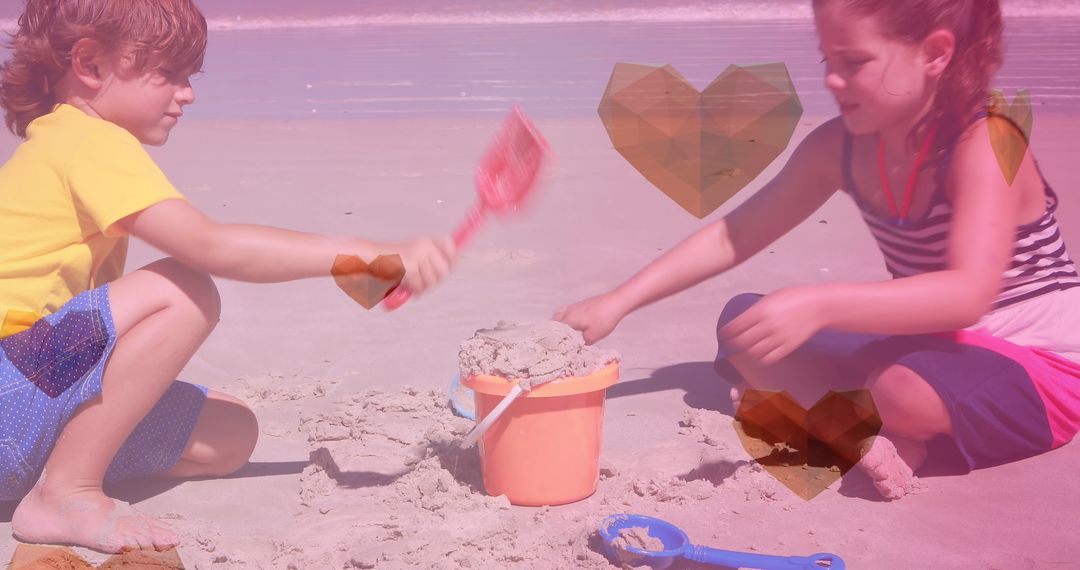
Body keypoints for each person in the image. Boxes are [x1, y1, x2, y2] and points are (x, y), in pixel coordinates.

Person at [557, 0, 1080, 500]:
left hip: (1040, 365)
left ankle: (854, 419)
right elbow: (733, 235)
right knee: (746, 326)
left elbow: (968, 295)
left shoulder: (986, 142)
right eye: (828, 61)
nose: (832, 79)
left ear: (935, 54)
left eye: (854, 62)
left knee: (898, 387)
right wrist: (618, 301)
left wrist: (820, 304)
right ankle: (877, 435)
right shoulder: (841, 148)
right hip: (929, 339)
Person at [0, 0, 455, 553]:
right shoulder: (86, 140)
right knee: (182, 288)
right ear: (90, 64)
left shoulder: (62, 143)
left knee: (230, 434)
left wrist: (369, 271)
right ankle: (65, 491)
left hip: (30, 405)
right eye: (167, 74)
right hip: (15, 384)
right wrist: (365, 254)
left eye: (189, 77)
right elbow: (210, 247)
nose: (187, 93)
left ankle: (58, 467)